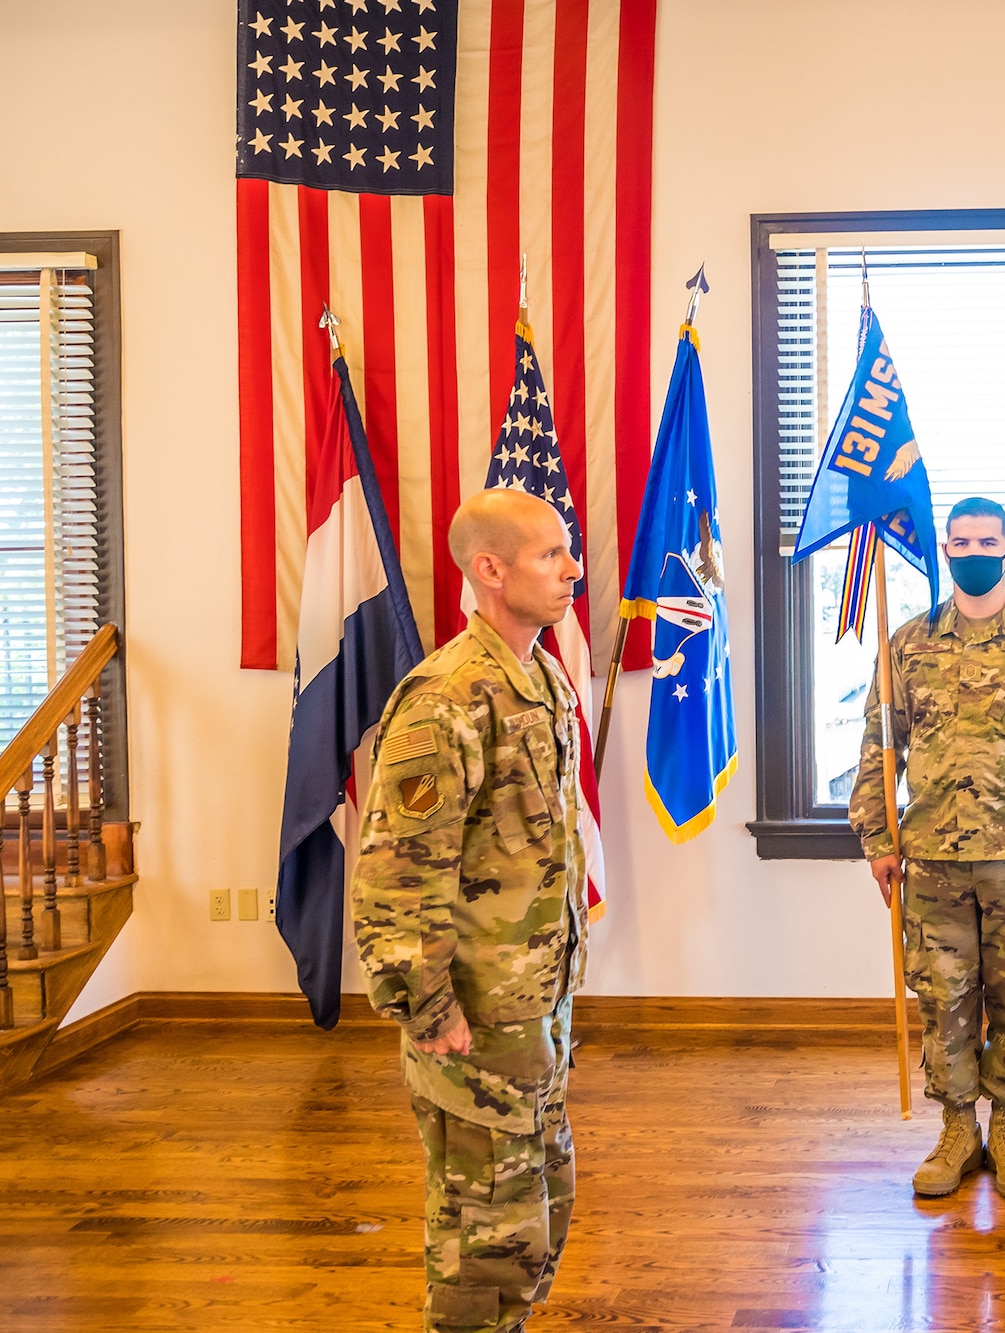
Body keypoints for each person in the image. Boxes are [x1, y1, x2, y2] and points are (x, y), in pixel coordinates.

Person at [351, 488, 589, 1333]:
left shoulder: (543, 675)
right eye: (550, 556)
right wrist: (426, 1003)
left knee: (535, 1206)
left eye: (569, 550)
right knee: (482, 1226)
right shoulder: (446, 698)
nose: (574, 570)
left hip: (532, 1007)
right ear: (489, 569)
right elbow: (396, 871)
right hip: (473, 1013)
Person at [849, 496, 1005, 1200]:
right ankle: (958, 1127)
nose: (972, 551)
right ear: (945, 547)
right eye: (959, 541)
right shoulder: (907, 643)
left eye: (986, 540)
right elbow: (879, 749)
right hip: (931, 858)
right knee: (945, 996)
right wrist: (879, 840)